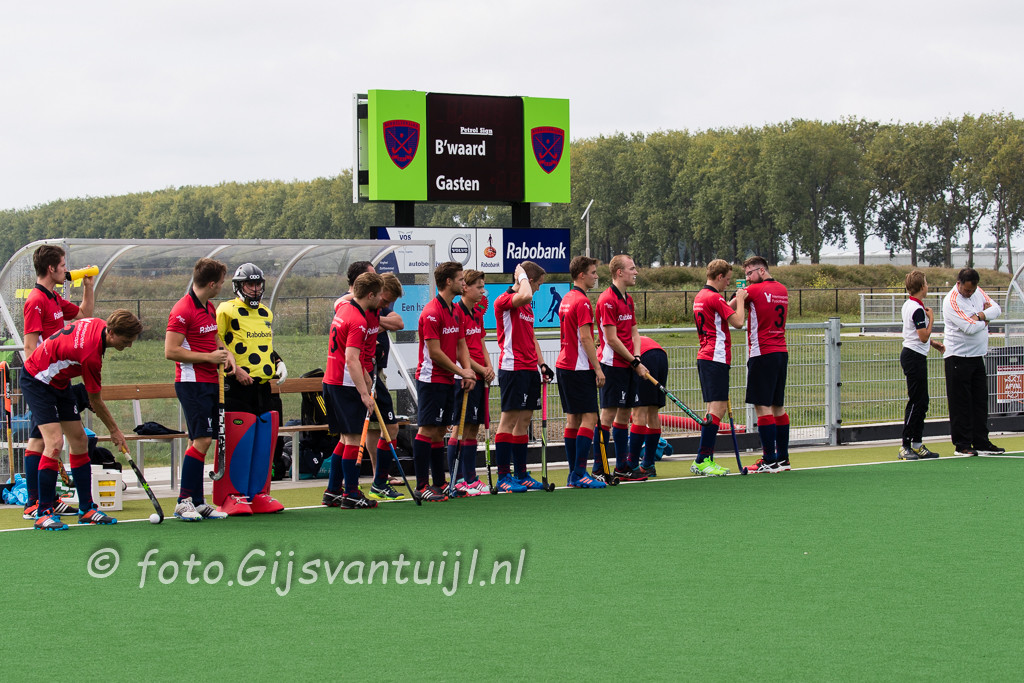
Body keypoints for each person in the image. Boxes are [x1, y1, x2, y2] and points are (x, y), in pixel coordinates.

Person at [21, 310, 142, 530]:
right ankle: (43, 512)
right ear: (112, 333)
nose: (129, 345)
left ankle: (86, 509)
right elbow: (95, 400)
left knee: (79, 441)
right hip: (37, 381)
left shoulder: (99, 324)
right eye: (126, 341)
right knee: (54, 443)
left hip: (60, 382)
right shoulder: (91, 355)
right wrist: (115, 431)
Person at [20, 244, 96, 520]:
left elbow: (85, 315)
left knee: (40, 439)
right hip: (42, 380)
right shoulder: (36, 300)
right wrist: (43, 382)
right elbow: (30, 347)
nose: (67, 269)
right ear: (51, 268)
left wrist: (88, 287)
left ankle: (50, 500)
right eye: (63, 265)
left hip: (55, 379)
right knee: (46, 441)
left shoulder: (54, 297)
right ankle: (35, 504)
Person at [164, 257, 234, 521]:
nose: (222, 286)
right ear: (212, 284)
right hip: (191, 382)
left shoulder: (208, 306)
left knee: (201, 440)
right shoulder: (183, 309)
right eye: (222, 282)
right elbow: (171, 350)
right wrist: (209, 358)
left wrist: (226, 354)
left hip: (210, 382)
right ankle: (183, 502)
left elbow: (213, 337)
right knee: (202, 440)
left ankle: (197, 501)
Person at [214, 263, 287, 514]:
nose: (255, 289)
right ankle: (232, 495)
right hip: (236, 386)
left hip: (263, 386)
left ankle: (258, 493)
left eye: (257, 284)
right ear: (239, 286)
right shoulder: (226, 310)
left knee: (263, 441)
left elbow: (265, 345)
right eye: (249, 284)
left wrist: (278, 361)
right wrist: (235, 370)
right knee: (239, 441)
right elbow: (216, 342)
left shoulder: (266, 312)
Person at [321, 272, 384, 509]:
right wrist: (364, 394)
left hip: (332, 381)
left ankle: (333, 490)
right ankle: (351, 493)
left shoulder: (344, 308)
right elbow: (351, 359)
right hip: (345, 384)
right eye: (379, 295)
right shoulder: (358, 320)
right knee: (354, 439)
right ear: (370, 295)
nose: (381, 299)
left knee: (345, 438)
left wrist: (367, 380)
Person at [413, 262, 475, 502]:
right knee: (427, 429)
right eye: (460, 279)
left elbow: (461, 344)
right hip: (431, 379)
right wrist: (461, 371)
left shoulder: (456, 310)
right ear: (448, 282)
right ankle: (421, 486)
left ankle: (439, 483)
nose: (464, 283)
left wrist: (467, 371)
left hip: (448, 378)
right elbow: (435, 353)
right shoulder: (431, 312)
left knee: (440, 430)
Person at [493, 260, 550, 493]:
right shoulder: (505, 300)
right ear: (529, 280)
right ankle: (503, 476)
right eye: (538, 284)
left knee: (524, 421)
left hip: (529, 369)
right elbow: (525, 294)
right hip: (512, 367)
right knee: (508, 420)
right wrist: (522, 276)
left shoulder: (527, 307)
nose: (538, 289)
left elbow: (531, 336)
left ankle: (521, 474)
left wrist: (542, 364)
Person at [594, 254, 649, 482]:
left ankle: (622, 467)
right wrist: (634, 362)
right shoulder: (607, 299)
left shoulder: (629, 299)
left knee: (625, 415)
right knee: (607, 415)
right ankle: (599, 468)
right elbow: (611, 339)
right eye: (632, 268)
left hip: (628, 364)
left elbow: (634, 331)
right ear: (619, 272)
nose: (636, 272)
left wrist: (636, 357)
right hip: (612, 365)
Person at [691, 259, 746, 476]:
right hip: (716, 356)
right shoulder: (714, 297)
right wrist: (740, 300)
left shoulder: (702, 296)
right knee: (717, 408)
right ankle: (702, 459)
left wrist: (730, 302)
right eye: (728, 279)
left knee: (713, 408)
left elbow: (719, 312)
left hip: (707, 356)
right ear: (720, 276)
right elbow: (738, 322)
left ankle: (705, 458)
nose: (728, 284)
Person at [556, 255, 606, 489]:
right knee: (590, 418)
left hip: (565, 365)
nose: (596, 276)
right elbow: (585, 338)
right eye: (593, 273)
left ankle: (573, 474)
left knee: (573, 419)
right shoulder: (583, 301)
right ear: (581, 275)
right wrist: (598, 368)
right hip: (578, 367)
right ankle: (579, 473)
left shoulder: (567, 298)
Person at [942, 268, 1004, 457]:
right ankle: (962, 444)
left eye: (972, 290)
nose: (969, 293)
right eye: (967, 290)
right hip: (958, 357)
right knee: (961, 403)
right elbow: (969, 327)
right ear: (959, 284)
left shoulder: (978, 292)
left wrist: (980, 316)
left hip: (977, 356)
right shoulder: (951, 301)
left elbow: (996, 309)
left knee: (980, 401)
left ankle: (981, 442)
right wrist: (986, 321)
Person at [741, 256, 792, 473]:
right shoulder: (782, 289)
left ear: (761, 271)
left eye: (749, 273)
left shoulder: (754, 290)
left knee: (762, 406)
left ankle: (769, 459)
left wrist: (741, 297)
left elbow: (730, 307)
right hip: (780, 351)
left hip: (761, 352)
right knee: (777, 406)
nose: (747, 279)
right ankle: (783, 458)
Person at [447, 269, 495, 495]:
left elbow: (481, 343)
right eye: (479, 287)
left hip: (479, 376)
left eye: (483, 287)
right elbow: (459, 351)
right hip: (464, 377)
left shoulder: (477, 312)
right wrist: (479, 369)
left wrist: (489, 367)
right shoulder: (457, 313)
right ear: (465, 287)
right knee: (460, 427)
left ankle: (470, 478)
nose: (482, 291)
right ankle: (458, 479)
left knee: (473, 428)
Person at [365, 273, 407, 501]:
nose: (386, 306)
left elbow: (399, 323)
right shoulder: (353, 305)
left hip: (375, 374)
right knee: (351, 435)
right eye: (386, 300)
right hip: (363, 375)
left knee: (386, 427)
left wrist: (375, 321)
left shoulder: (376, 311)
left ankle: (378, 481)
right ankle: (349, 486)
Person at [898, 271, 945, 460]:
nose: (927, 285)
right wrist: (932, 319)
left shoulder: (910, 305)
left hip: (915, 354)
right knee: (916, 401)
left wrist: (933, 344)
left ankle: (917, 443)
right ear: (922, 287)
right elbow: (923, 336)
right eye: (926, 283)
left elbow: (915, 333)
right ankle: (905, 445)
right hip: (913, 357)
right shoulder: (918, 309)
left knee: (922, 401)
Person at [628, 335, 667, 478]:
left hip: (643, 358)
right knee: (652, 412)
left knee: (639, 411)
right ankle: (648, 464)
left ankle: (632, 465)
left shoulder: (607, 345)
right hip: (661, 355)